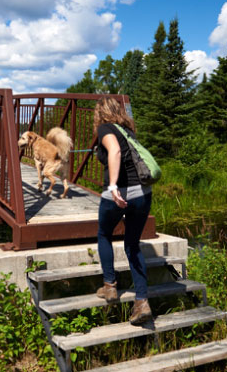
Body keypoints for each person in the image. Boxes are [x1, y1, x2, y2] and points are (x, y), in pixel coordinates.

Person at [93, 97, 153, 325]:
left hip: (121, 192)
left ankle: (109, 286)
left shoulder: (105, 129)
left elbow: (115, 152)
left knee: (104, 234)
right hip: (144, 192)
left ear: (101, 112)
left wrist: (112, 186)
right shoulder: (128, 130)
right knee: (132, 244)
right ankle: (142, 302)